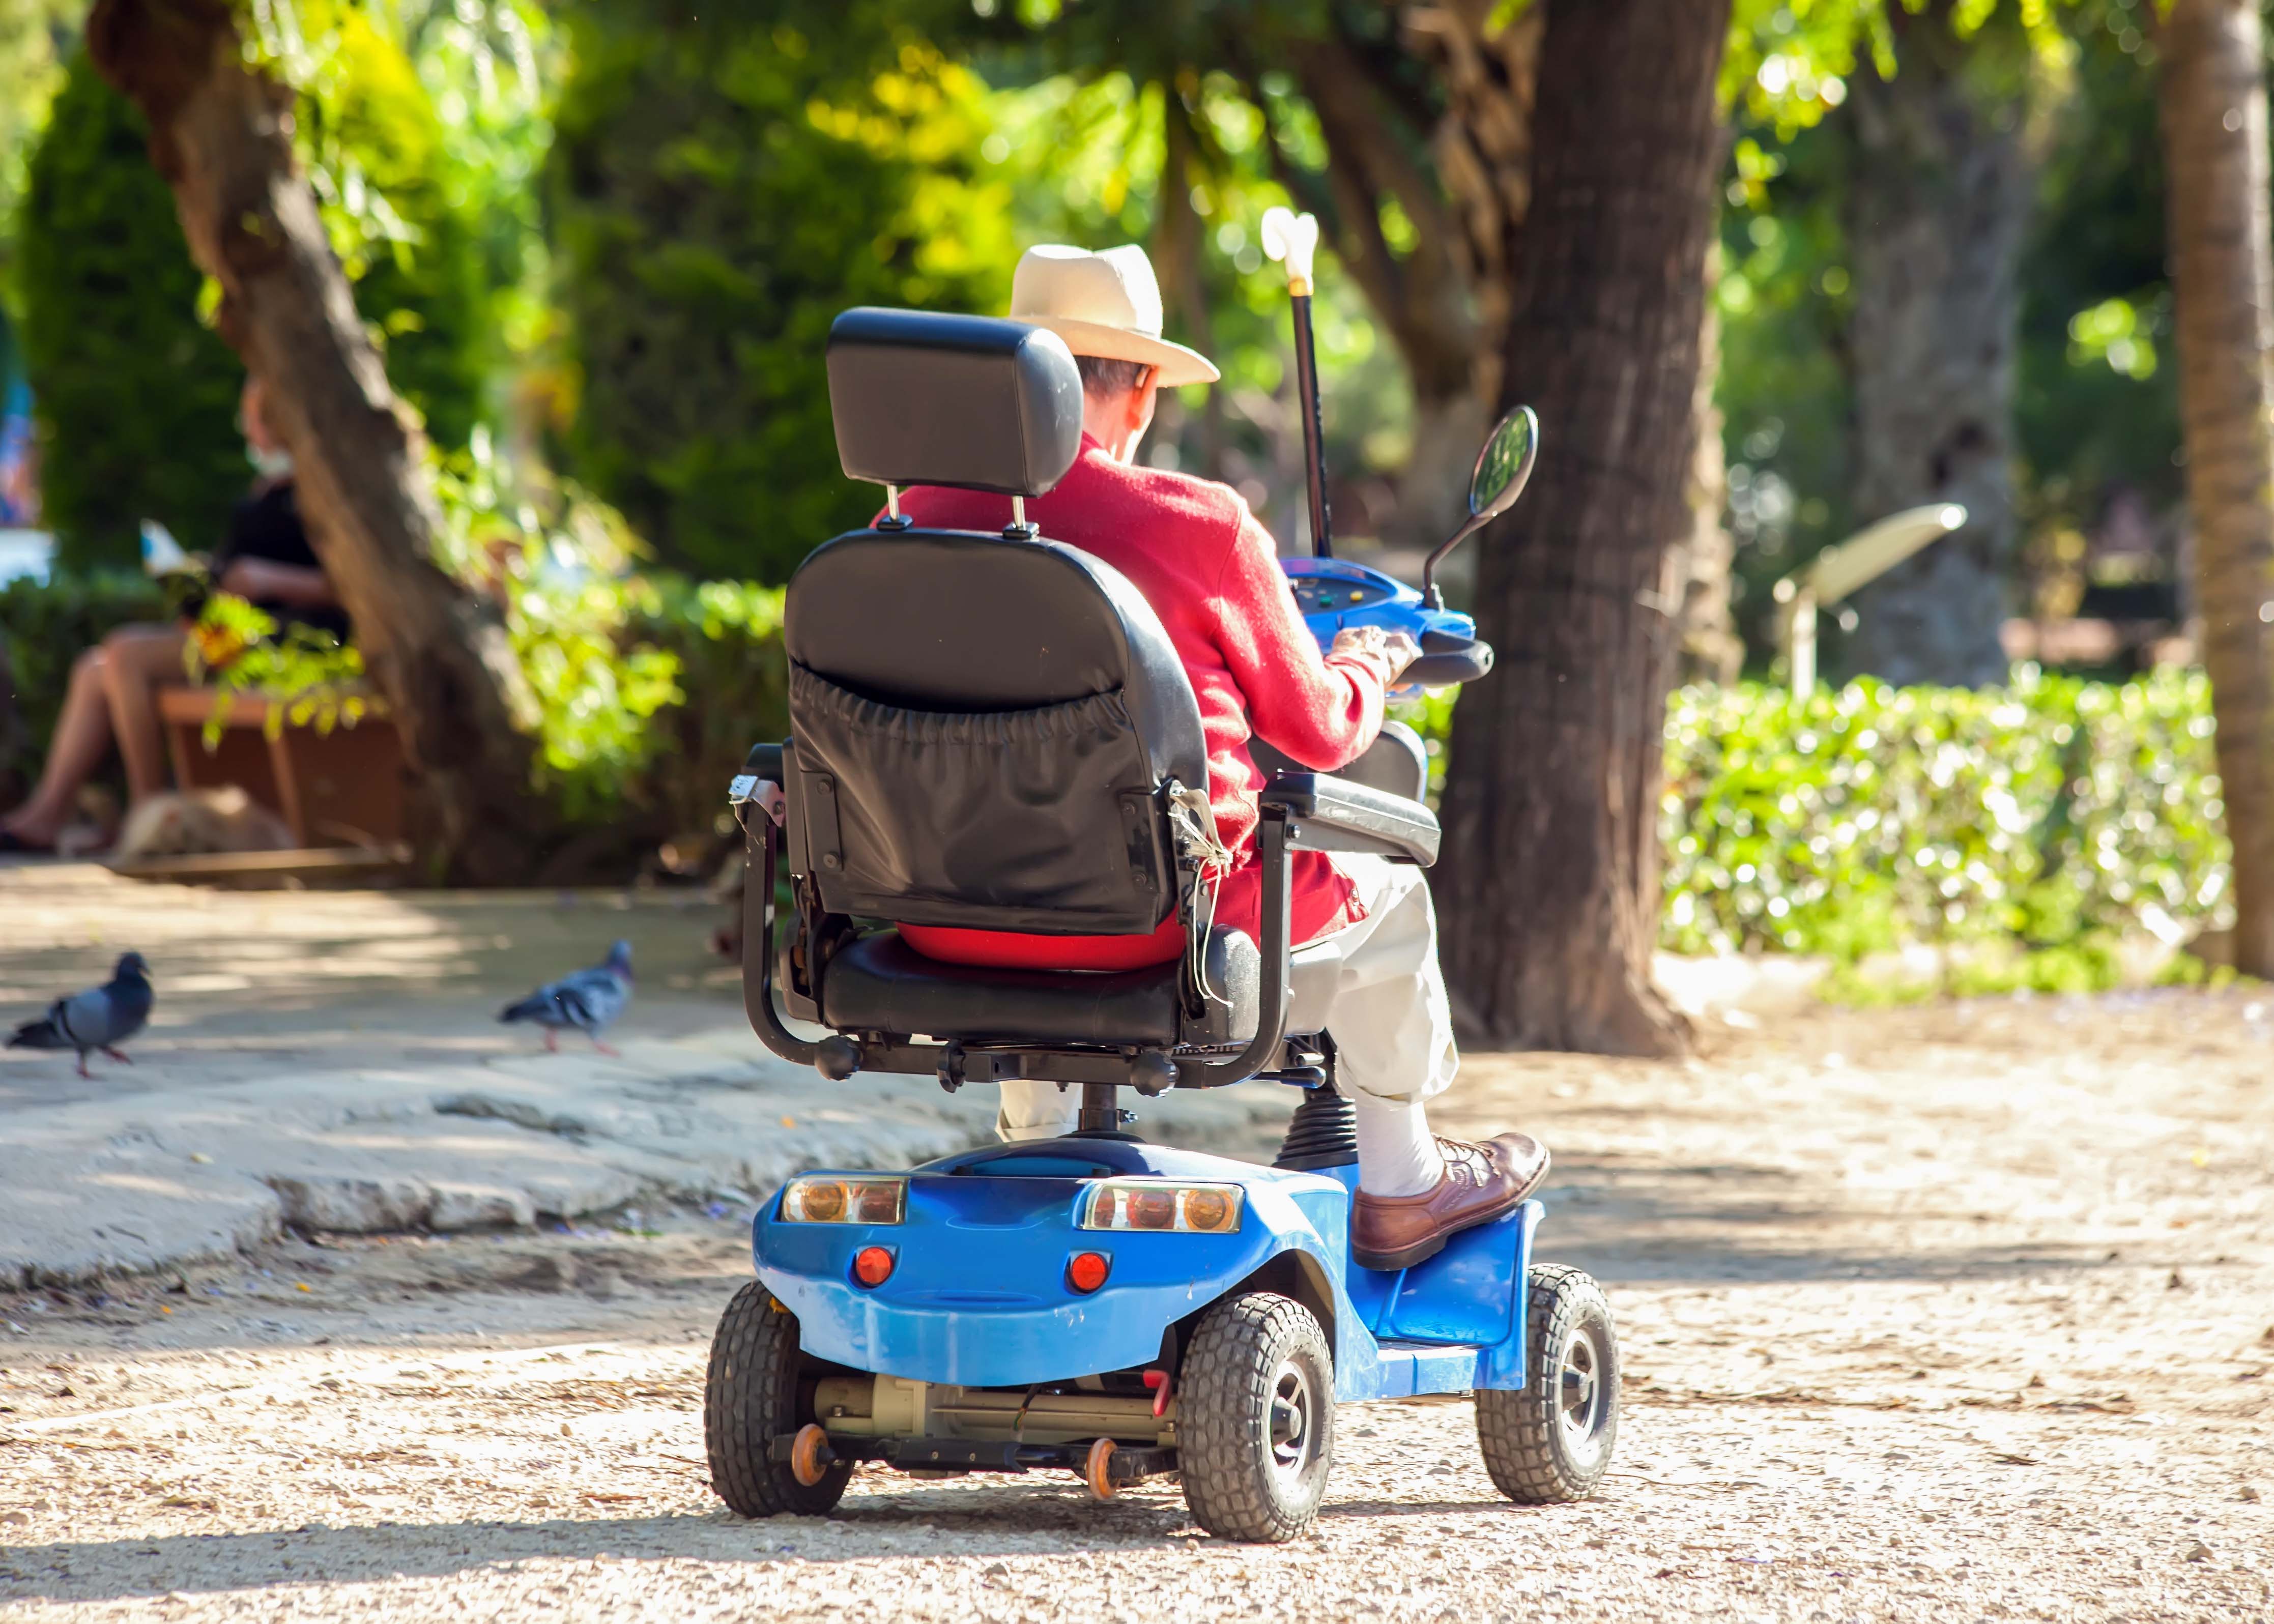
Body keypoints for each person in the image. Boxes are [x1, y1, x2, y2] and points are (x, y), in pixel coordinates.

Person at [888, 243, 1548, 1271]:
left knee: (1009, 844)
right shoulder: (1198, 526)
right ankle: (1401, 1182)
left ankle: (1039, 1149)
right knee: (1391, 889)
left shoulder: (904, 524)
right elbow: (1323, 731)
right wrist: (1367, 661)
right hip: (1162, 930)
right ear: (1141, 389)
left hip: (935, 926)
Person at [0, 377, 345, 852]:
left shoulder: (325, 488)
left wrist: (269, 579)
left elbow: (351, 586)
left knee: (125, 655)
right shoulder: (269, 486)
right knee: (95, 669)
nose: (247, 429)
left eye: (253, 417)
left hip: (286, 641)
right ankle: (47, 813)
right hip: (231, 632)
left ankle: (148, 818)